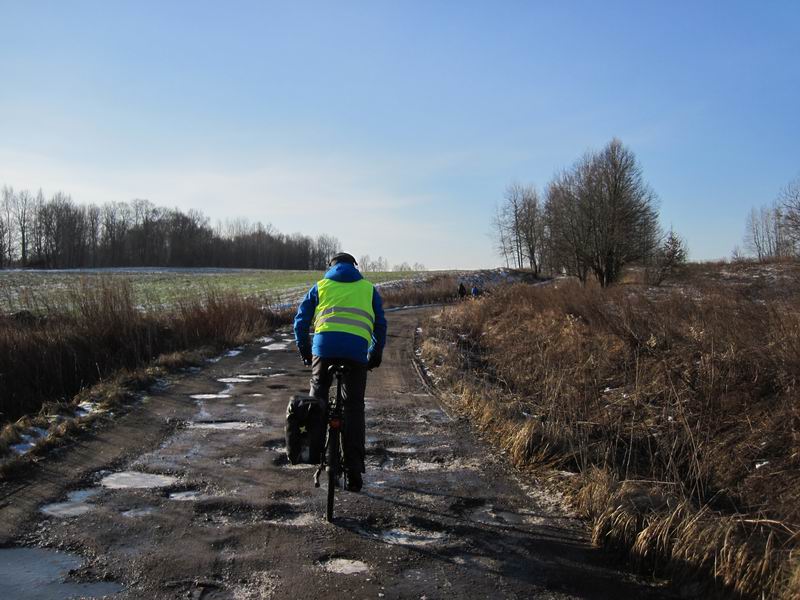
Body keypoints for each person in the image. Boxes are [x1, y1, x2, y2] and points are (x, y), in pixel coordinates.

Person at [293, 252, 387, 492]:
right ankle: (354, 471)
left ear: (330, 266)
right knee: (353, 408)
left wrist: (305, 351)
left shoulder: (321, 286)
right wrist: (374, 354)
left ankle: (313, 453)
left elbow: (301, 321)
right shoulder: (368, 289)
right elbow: (380, 324)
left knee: (317, 402)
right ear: (355, 267)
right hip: (356, 353)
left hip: (323, 351)